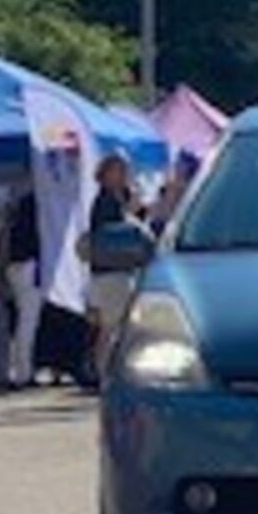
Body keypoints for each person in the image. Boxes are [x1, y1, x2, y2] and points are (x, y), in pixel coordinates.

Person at [88, 153, 144, 378]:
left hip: (118, 270)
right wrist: (129, 213)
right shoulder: (105, 201)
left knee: (115, 326)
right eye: (119, 171)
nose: (124, 176)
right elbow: (114, 233)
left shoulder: (115, 198)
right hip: (110, 271)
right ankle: (103, 371)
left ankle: (107, 370)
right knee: (111, 326)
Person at [5, 189, 41, 388]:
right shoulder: (36, 210)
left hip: (17, 265)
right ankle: (23, 372)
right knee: (28, 321)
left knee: (23, 321)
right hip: (29, 266)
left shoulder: (17, 215)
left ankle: (23, 370)